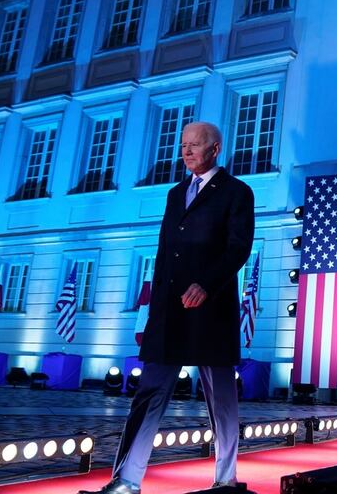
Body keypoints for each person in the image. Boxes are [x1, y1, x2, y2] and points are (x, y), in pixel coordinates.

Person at [81, 122, 255, 494]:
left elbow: (238, 248)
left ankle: (226, 479)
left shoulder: (237, 192)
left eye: (195, 145)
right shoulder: (176, 193)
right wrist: (153, 305)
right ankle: (126, 480)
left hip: (210, 307)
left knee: (221, 399)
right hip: (170, 310)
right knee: (148, 393)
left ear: (215, 149)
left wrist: (206, 284)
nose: (187, 152)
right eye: (183, 146)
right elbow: (164, 253)